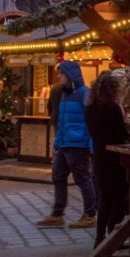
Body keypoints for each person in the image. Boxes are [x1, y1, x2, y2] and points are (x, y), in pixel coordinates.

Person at [35, 60, 97, 228]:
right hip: (64, 143)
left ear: (70, 75)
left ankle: (90, 214)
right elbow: (62, 121)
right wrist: (57, 142)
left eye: (61, 73)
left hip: (78, 144)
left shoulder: (85, 94)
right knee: (58, 176)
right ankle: (57, 213)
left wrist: (89, 144)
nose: (59, 76)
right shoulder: (64, 94)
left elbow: (91, 121)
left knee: (82, 178)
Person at [84, 74, 129, 246]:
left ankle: (99, 236)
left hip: (99, 155)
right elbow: (120, 134)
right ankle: (112, 233)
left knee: (104, 197)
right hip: (114, 157)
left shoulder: (90, 108)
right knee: (120, 195)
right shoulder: (112, 108)